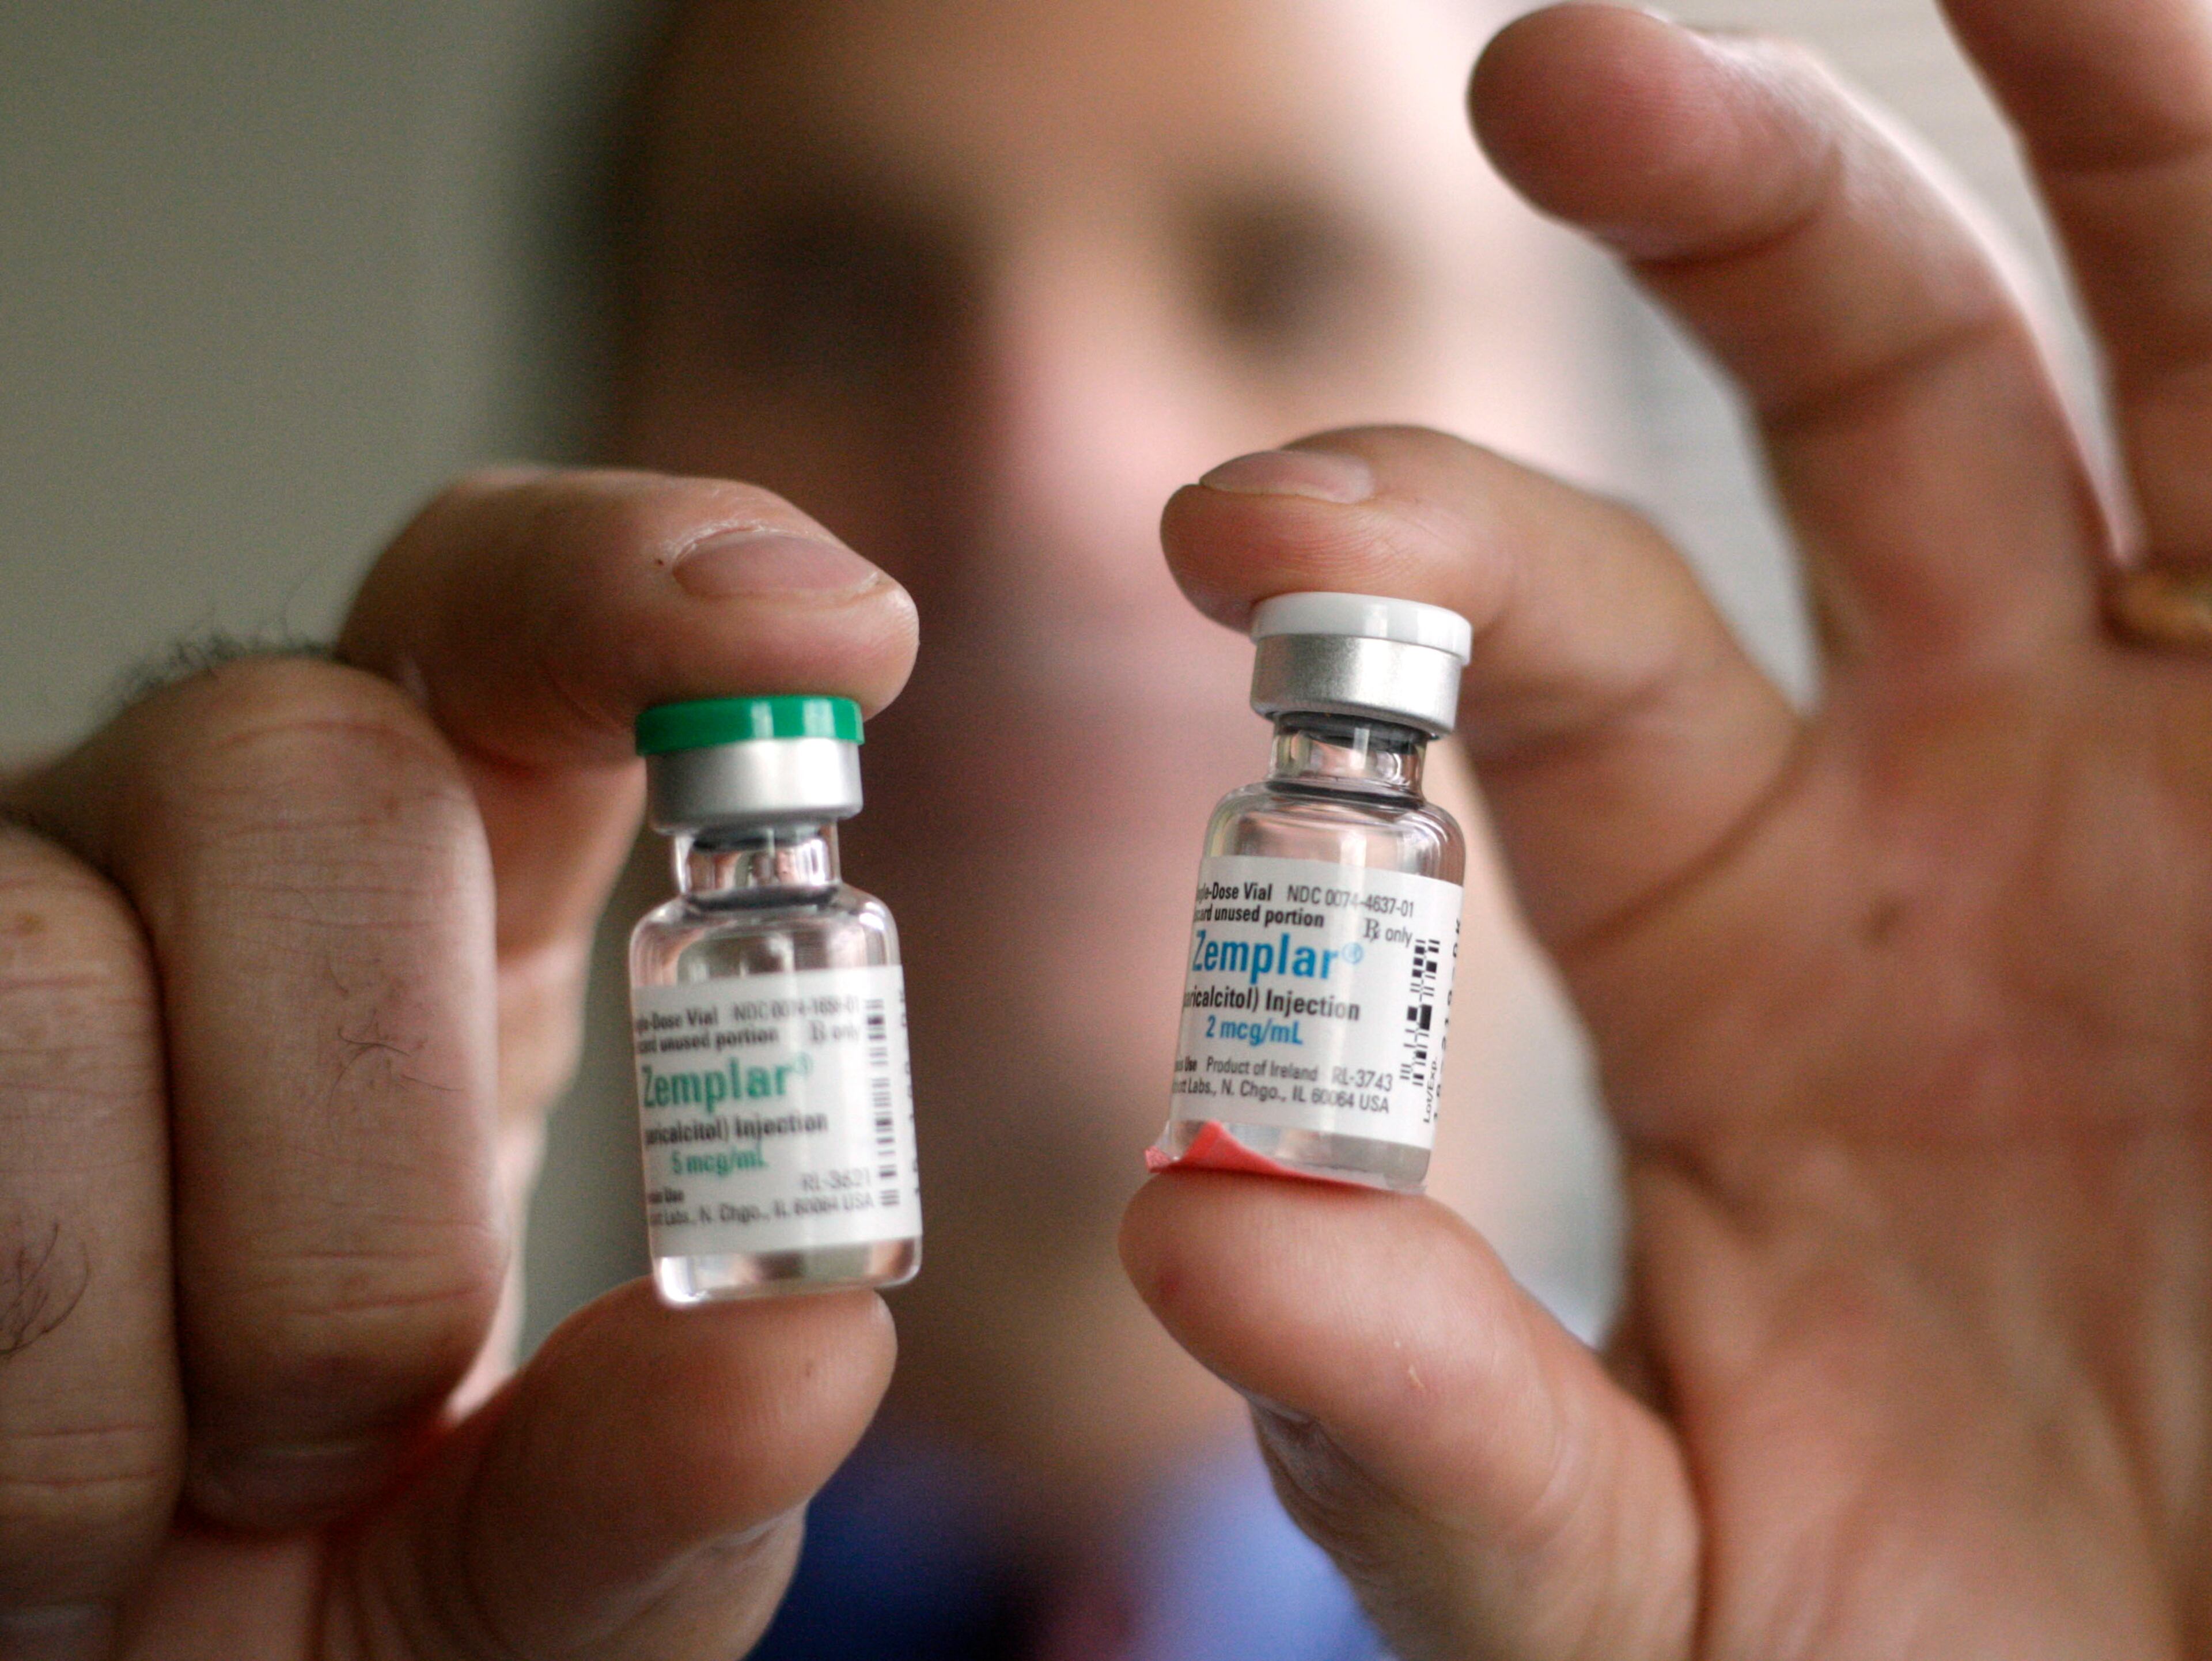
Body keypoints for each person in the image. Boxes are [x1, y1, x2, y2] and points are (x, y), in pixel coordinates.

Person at [4, 0, 2212, 1656]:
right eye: (828, 292)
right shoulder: (331, 1591)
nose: (1041, 472)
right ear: (592, 430)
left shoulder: (1965, 1558)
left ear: (1605, 501)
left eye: (1281, 277)